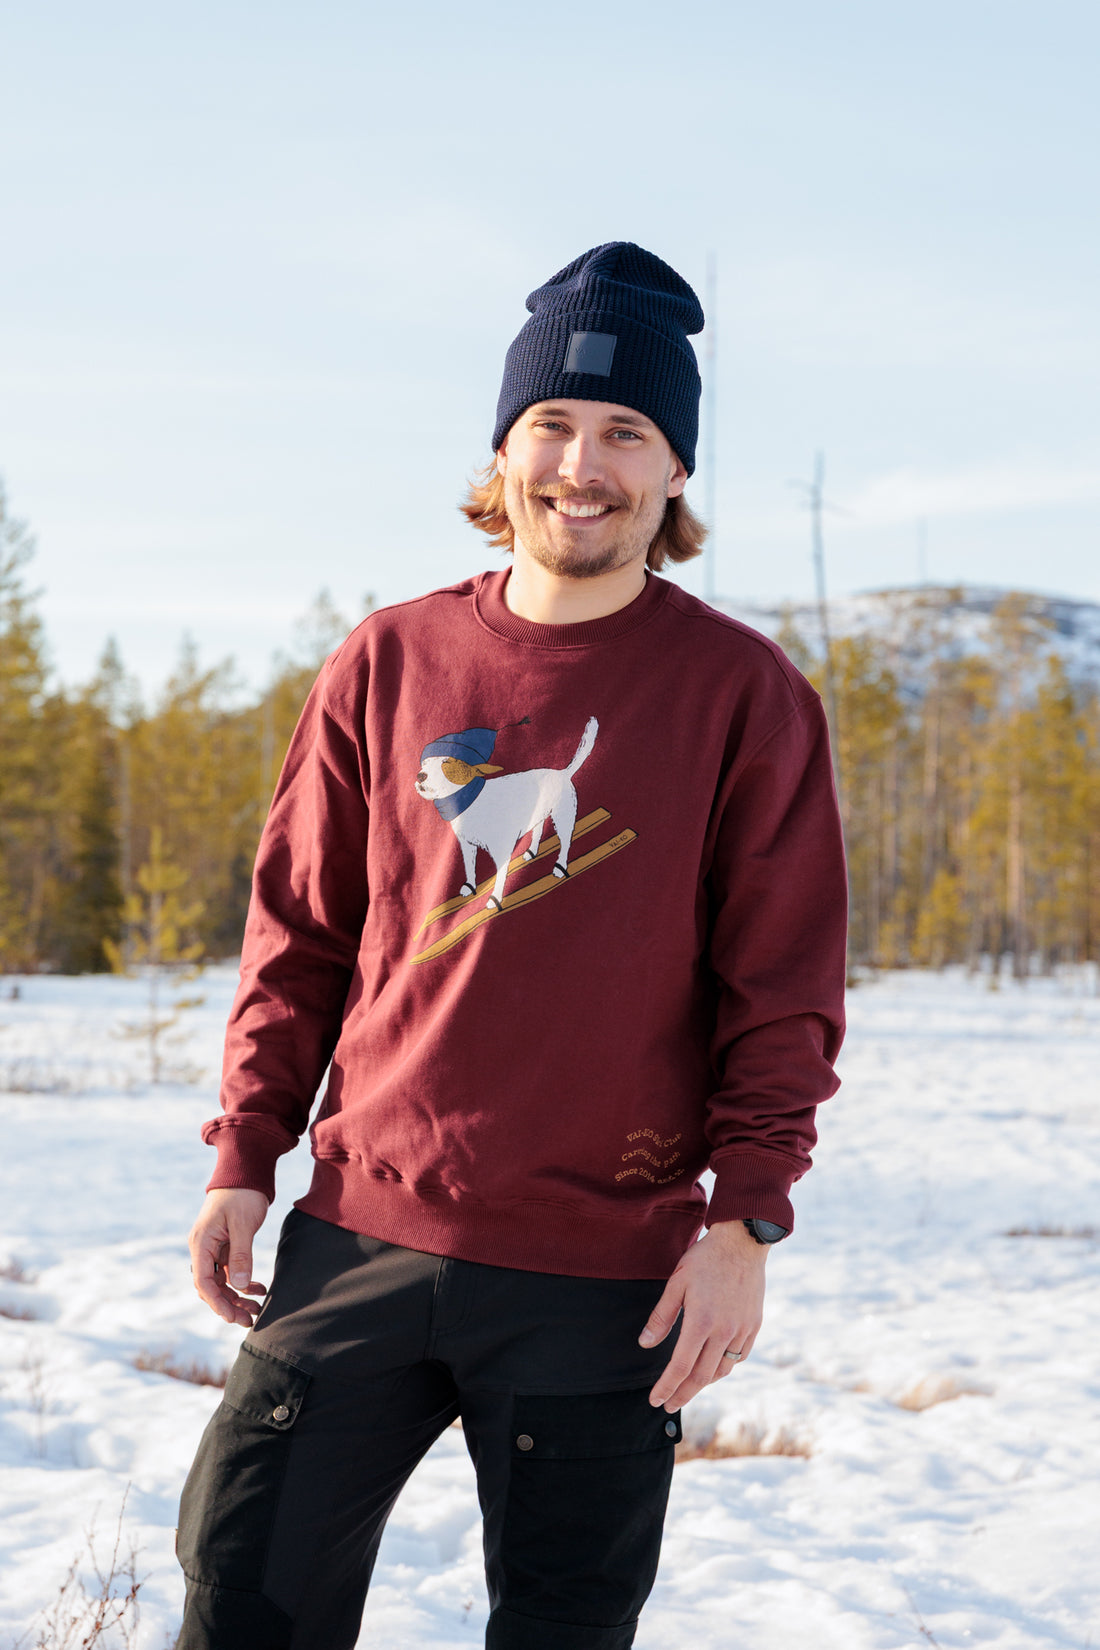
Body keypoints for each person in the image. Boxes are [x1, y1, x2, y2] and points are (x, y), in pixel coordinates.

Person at [176, 241, 847, 1650]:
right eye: (553, 423)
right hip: (360, 1234)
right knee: (241, 1597)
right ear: (505, 447)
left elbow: (780, 984)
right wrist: (246, 1149)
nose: (582, 464)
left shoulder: (743, 696)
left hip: (603, 1273)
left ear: (675, 475)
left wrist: (749, 1213)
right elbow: (299, 934)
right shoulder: (388, 661)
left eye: (627, 433)